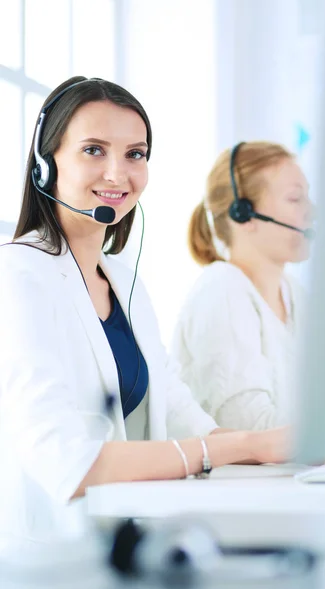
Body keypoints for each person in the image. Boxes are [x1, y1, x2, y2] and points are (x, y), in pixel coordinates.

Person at [0, 76, 292, 554]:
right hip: (40, 559)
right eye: (94, 150)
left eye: (135, 153)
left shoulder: (123, 281)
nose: (118, 174)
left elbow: (179, 413)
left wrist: (292, 446)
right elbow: (67, 462)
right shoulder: (17, 275)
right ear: (44, 164)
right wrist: (242, 447)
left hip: (117, 549)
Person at [170, 141, 312, 431]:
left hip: (292, 476)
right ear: (243, 214)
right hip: (238, 477)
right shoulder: (222, 291)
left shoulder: (294, 293)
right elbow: (249, 425)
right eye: (296, 199)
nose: (312, 212)